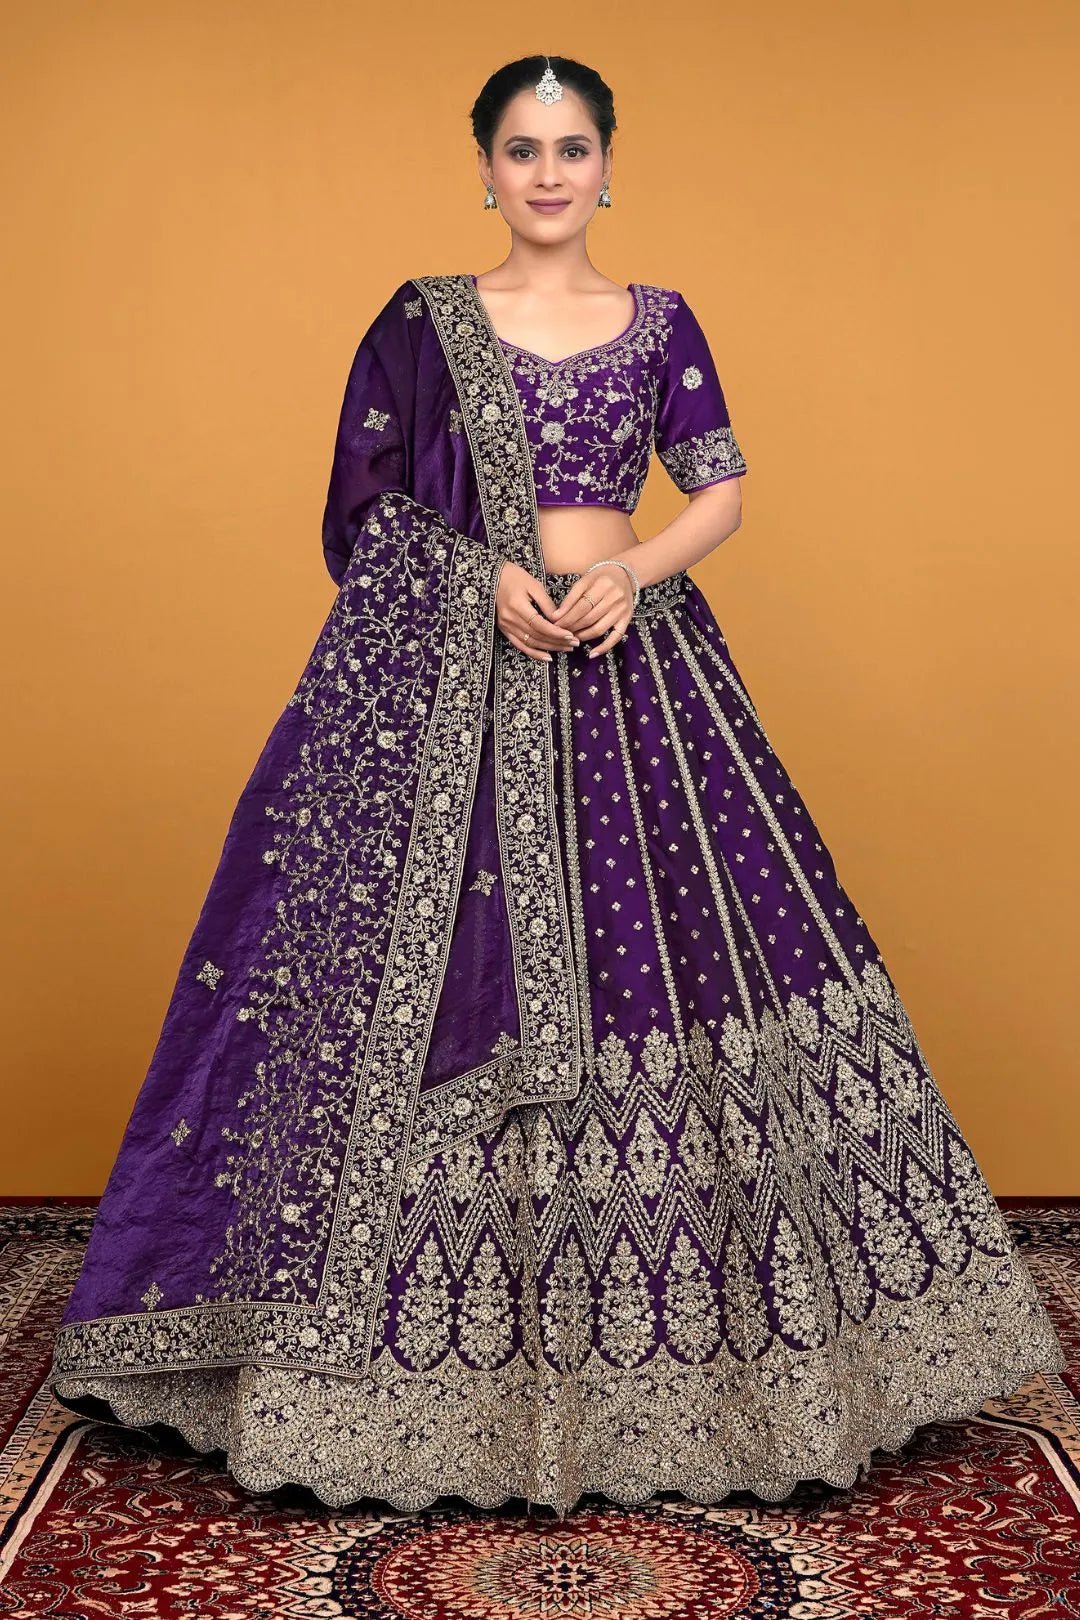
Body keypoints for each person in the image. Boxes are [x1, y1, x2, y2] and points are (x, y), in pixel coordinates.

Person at [49, 53, 1063, 1521]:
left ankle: (711, 1368)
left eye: (571, 147)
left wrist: (632, 576)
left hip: (633, 661)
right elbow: (364, 509)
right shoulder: (422, 322)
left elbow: (718, 488)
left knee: (682, 960)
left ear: (608, 166)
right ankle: (398, 1381)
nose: (546, 173)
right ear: (485, 168)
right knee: (418, 986)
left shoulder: (663, 320)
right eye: (520, 149)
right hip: (456, 681)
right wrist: (482, 582)